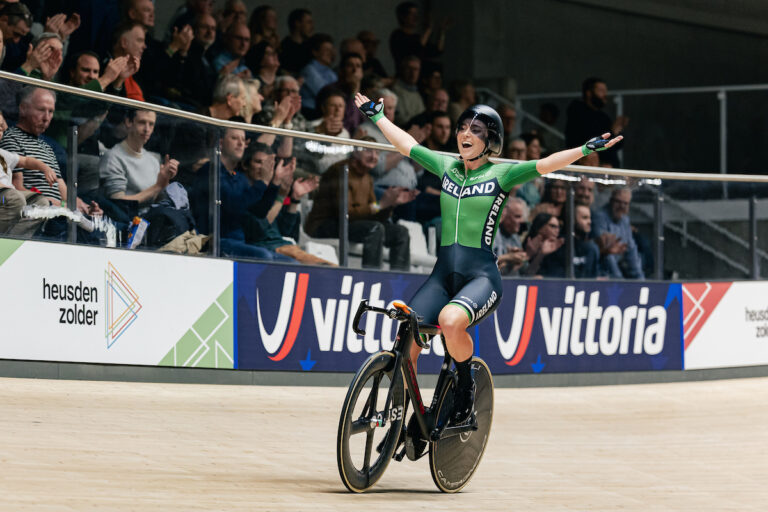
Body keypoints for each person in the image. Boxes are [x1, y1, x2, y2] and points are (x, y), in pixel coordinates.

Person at [354, 91, 622, 427]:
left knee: (451, 322)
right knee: (408, 339)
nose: (465, 134)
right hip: (442, 275)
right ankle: (402, 414)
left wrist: (584, 150)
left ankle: (465, 385)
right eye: (463, 127)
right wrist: (377, 117)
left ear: (490, 141)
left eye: (476, 130)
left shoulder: (502, 174)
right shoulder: (446, 167)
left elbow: (546, 163)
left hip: (481, 277)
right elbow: (407, 145)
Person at [304, 140, 413, 271]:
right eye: (368, 150)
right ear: (355, 152)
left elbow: (373, 214)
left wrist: (390, 204)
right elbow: (345, 214)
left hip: (352, 224)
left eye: (377, 152)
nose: (373, 156)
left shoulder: (367, 177)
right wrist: (380, 204)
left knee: (400, 232)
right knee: (375, 229)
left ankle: (399, 282)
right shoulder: (341, 170)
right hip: (325, 225)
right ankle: (371, 279)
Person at [0, 111, 55, 237]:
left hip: (6, 197)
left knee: (41, 204)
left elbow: (25, 160)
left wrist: (45, 168)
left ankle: (12, 241)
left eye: (1, 128)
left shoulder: (3, 154)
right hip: (5, 197)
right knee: (15, 199)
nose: (0, 131)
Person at [565, 77, 628, 168]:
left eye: (605, 91)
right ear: (589, 93)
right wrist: (612, 132)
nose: (605, 95)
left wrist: (617, 132)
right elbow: (591, 140)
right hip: (588, 167)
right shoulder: (578, 112)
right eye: (601, 91)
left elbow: (614, 146)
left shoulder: (604, 117)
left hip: (609, 168)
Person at [592, 187, 644, 279]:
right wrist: (619, 279)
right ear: (611, 201)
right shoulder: (599, 217)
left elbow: (631, 251)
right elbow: (607, 253)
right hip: (599, 273)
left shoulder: (625, 220)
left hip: (615, 273)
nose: (622, 206)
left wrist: (640, 279)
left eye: (625, 203)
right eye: (618, 202)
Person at [493, 197, 528, 276]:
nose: (522, 221)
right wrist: (508, 257)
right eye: (517, 216)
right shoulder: (491, 233)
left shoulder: (515, 237)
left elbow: (522, 271)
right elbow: (483, 264)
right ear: (504, 214)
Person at [280, 8, 313, 75]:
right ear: (297, 23)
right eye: (308, 22)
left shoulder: (310, 47)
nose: (312, 27)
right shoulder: (285, 48)